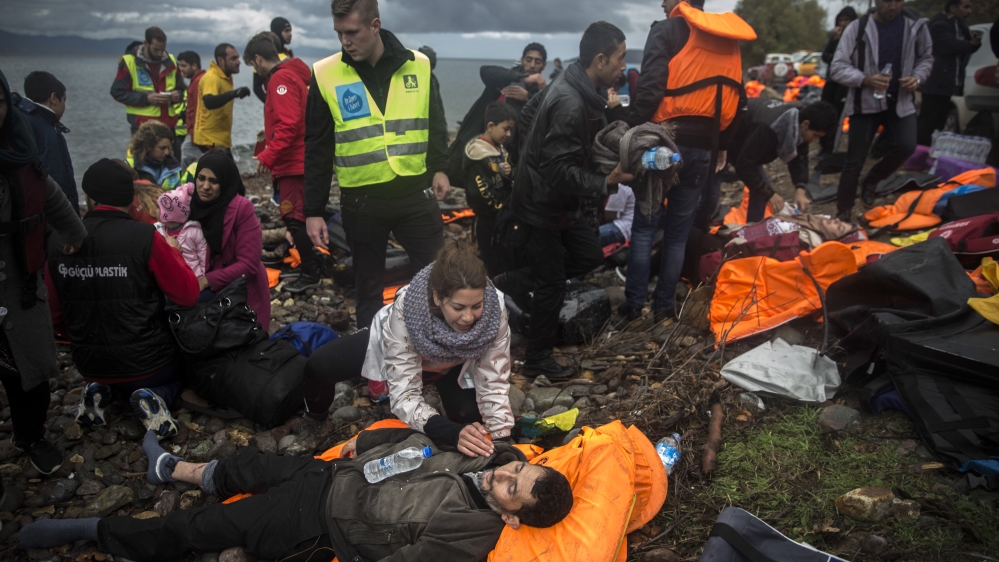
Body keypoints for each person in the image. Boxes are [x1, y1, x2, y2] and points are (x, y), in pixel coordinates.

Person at [19, 423, 574, 561]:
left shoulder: (471, 530)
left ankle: (94, 529)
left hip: (318, 524)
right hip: (330, 474)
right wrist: (365, 442)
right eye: (516, 472)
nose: (504, 477)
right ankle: (170, 469)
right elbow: (423, 436)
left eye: (512, 490)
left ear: (512, 518)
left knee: (200, 528)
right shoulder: (491, 457)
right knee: (247, 463)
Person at [304, 0, 450, 331]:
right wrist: (313, 210)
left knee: (438, 276)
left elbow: (436, 121)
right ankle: (374, 354)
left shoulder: (419, 65)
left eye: (352, 32)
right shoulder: (325, 74)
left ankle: (436, 345)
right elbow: (317, 147)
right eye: (339, 33)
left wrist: (441, 167)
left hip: (415, 193)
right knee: (368, 287)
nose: (345, 41)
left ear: (375, 26)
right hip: (361, 200)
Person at [501, 22, 634, 379]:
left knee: (589, 256)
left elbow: (530, 113)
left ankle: (509, 281)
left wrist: (528, 158)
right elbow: (558, 170)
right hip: (540, 205)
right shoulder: (571, 102)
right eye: (620, 58)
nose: (624, 66)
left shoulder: (576, 82)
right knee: (551, 284)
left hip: (559, 201)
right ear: (600, 60)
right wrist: (605, 181)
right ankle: (538, 359)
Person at [303, 242, 514, 457]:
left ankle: (440, 389)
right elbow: (404, 396)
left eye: (476, 306)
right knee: (319, 366)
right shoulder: (408, 308)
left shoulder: (493, 309)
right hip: (398, 348)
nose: (468, 317)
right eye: (458, 307)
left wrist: (502, 437)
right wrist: (450, 432)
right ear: (437, 297)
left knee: (468, 418)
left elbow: (493, 379)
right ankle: (316, 424)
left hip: (456, 362)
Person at [45, 159, 199, 438]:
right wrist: (175, 253)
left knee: (112, 373)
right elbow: (188, 295)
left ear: (91, 199)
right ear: (131, 199)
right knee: (186, 371)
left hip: (90, 363)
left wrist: (84, 336)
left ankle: (101, 390)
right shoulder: (144, 237)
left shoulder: (59, 242)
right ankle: (157, 395)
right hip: (149, 364)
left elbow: (54, 315)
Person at [621, 0, 754, 322]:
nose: (662, 3)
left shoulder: (666, 30)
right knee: (678, 234)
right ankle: (664, 308)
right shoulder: (727, 40)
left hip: (664, 143)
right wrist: (722, 145)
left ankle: (633, 306)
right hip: (703, 149)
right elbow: (737, 99)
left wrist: (629, 132)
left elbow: (650, 91)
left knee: (644, 229)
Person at [0, 68, 86, 475]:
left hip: (21, 281)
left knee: (31, 371)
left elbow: (50, 192)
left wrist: (75, 233)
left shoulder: (22, 148)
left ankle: (30, 436)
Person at [830, 0, 933, 221]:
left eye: (897, 1)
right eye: (887, 1)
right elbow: (837, 67)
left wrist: (917, 77)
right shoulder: (858, 28)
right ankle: (843, 213)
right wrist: (864, 79)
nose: (892, 6)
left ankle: (872, 179)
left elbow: (926, 58)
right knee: (855, 159)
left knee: (906, 146)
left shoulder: (916, 25)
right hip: (865, 102)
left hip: (900, 100)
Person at [243, 33, 317, 294]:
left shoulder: (279, 79)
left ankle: (310, 272)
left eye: (253, 65)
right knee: (302, 214)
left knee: (293, 216)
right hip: (301, 158)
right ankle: (312, 265)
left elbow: (289, 124)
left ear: (258, 59)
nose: (255, 71)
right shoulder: (293, 74)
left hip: (293, 162)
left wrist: (268, 156)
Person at [190, 153, 271, 328]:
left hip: (237, 289)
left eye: (214, 181)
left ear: (225, 182)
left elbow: (248, 264)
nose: (205, 186)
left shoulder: (242, 209)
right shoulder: (190, 205)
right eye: (201, 178)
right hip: (201, 281)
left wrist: (207, 280)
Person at [449, 43, 548, 183]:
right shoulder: (506, 79)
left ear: (544, 65)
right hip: (480, 147)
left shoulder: (542, 92)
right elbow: (485, 71)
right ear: (522, 60)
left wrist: (528, 98)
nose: (532, 65)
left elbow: (544, 121)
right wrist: (523, 77)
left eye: (537, 62)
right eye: (528, 59)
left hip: (511, 155)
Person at [729, 100, 840, 223]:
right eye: (815, 135)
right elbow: (744, 165)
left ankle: (753, 228)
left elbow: (799, 158)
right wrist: (770, 194)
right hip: (724, 136)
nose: (815, 140)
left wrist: (800, 188)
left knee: (761, 190)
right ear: (805, 124)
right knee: (715, 185)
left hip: (746, 142)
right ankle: (714, 223)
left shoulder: (797, 125)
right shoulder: (769, 128)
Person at [12, 71, 78, 215]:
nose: (64, 106)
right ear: (54, 98)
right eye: (64, 99)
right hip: (49, 214)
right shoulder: (35, 124)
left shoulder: (44, 123)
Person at [917, 0, 981, 146]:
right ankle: (918, 152)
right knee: (928, 122)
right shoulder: (940, 25)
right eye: (966, 7)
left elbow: (965, 47)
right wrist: (969, 44)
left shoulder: (960, 25)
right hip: (936, 83)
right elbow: (950, 45)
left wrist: (974, 44)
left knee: (940, 122)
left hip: (948, 83)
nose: (969, 12)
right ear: (953, 8)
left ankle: (930, 151)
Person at [463, 102, 517, 275]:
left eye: (511, 130)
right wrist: (504, 209)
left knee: (504, 260)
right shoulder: (479, 155)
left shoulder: (501, 150)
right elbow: (482, 193)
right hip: (488, 219)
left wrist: (511, 172)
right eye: (506, 129)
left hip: (503, 218)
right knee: (487, 263)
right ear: (490, 126)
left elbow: (513, 175)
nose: (509, 134)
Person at [110, 27, 185, 135]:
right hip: (143, 128)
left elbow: (181, 89)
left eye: (162, 49)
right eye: (156, 49)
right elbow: (117, 92)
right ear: (146, 43)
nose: (160, 54)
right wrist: (146, 98)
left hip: (168, 127)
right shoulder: (129, 62)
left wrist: (177, 95)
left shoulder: (171, 61)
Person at [194, 43, 250, 151]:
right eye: (233, 58)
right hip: (209, 139)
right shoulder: (211, 78)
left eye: (238, 57)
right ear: (220, 60)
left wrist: (234, 93)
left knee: (228, 162)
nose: (238, 62)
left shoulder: (225, 76)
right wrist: (234, 93)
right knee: (225, 162)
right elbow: (209, 102)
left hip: (220, 138)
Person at [819, 6, 859, 155]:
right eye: (840, 20)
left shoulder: (856, 37)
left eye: (846, 20)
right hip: (831, 80)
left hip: (845, 82)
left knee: (837, 114)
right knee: (825, 111)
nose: (843, 24)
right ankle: (824, 145)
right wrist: (834, 40)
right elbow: (826, 56)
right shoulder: (835, 37)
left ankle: (831, 148)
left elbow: (845, 58)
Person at [156, 183, 209, 280]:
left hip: (194, 280)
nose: (155, 210)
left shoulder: (195, 232)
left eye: (159, 207)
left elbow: (205, 260)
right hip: (170, 280)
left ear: (169, 214)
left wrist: (202, 281)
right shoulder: (158, 230)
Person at [127, 120, 184, 188]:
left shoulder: (174, 168)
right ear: (148, 146)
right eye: (162, 148)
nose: (167, 152)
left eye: (168, 148)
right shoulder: (129, 167)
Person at [177, 51, 206, 168]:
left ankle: (187, 180)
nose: (181, 69)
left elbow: (199, 110)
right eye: (180, 66)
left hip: (197, 133)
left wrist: (195, 134)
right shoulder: (198, 80)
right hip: (196, 132)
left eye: (184, 66)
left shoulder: (198, 82)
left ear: (194, 65)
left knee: (187, 156)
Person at [253, 23, 295, 103]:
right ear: (277, 32)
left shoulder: (288, 53)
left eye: (290, 31)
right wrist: (271, 104)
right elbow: (257, 87)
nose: (290, 34)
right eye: (286, 31)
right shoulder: (266, 57)